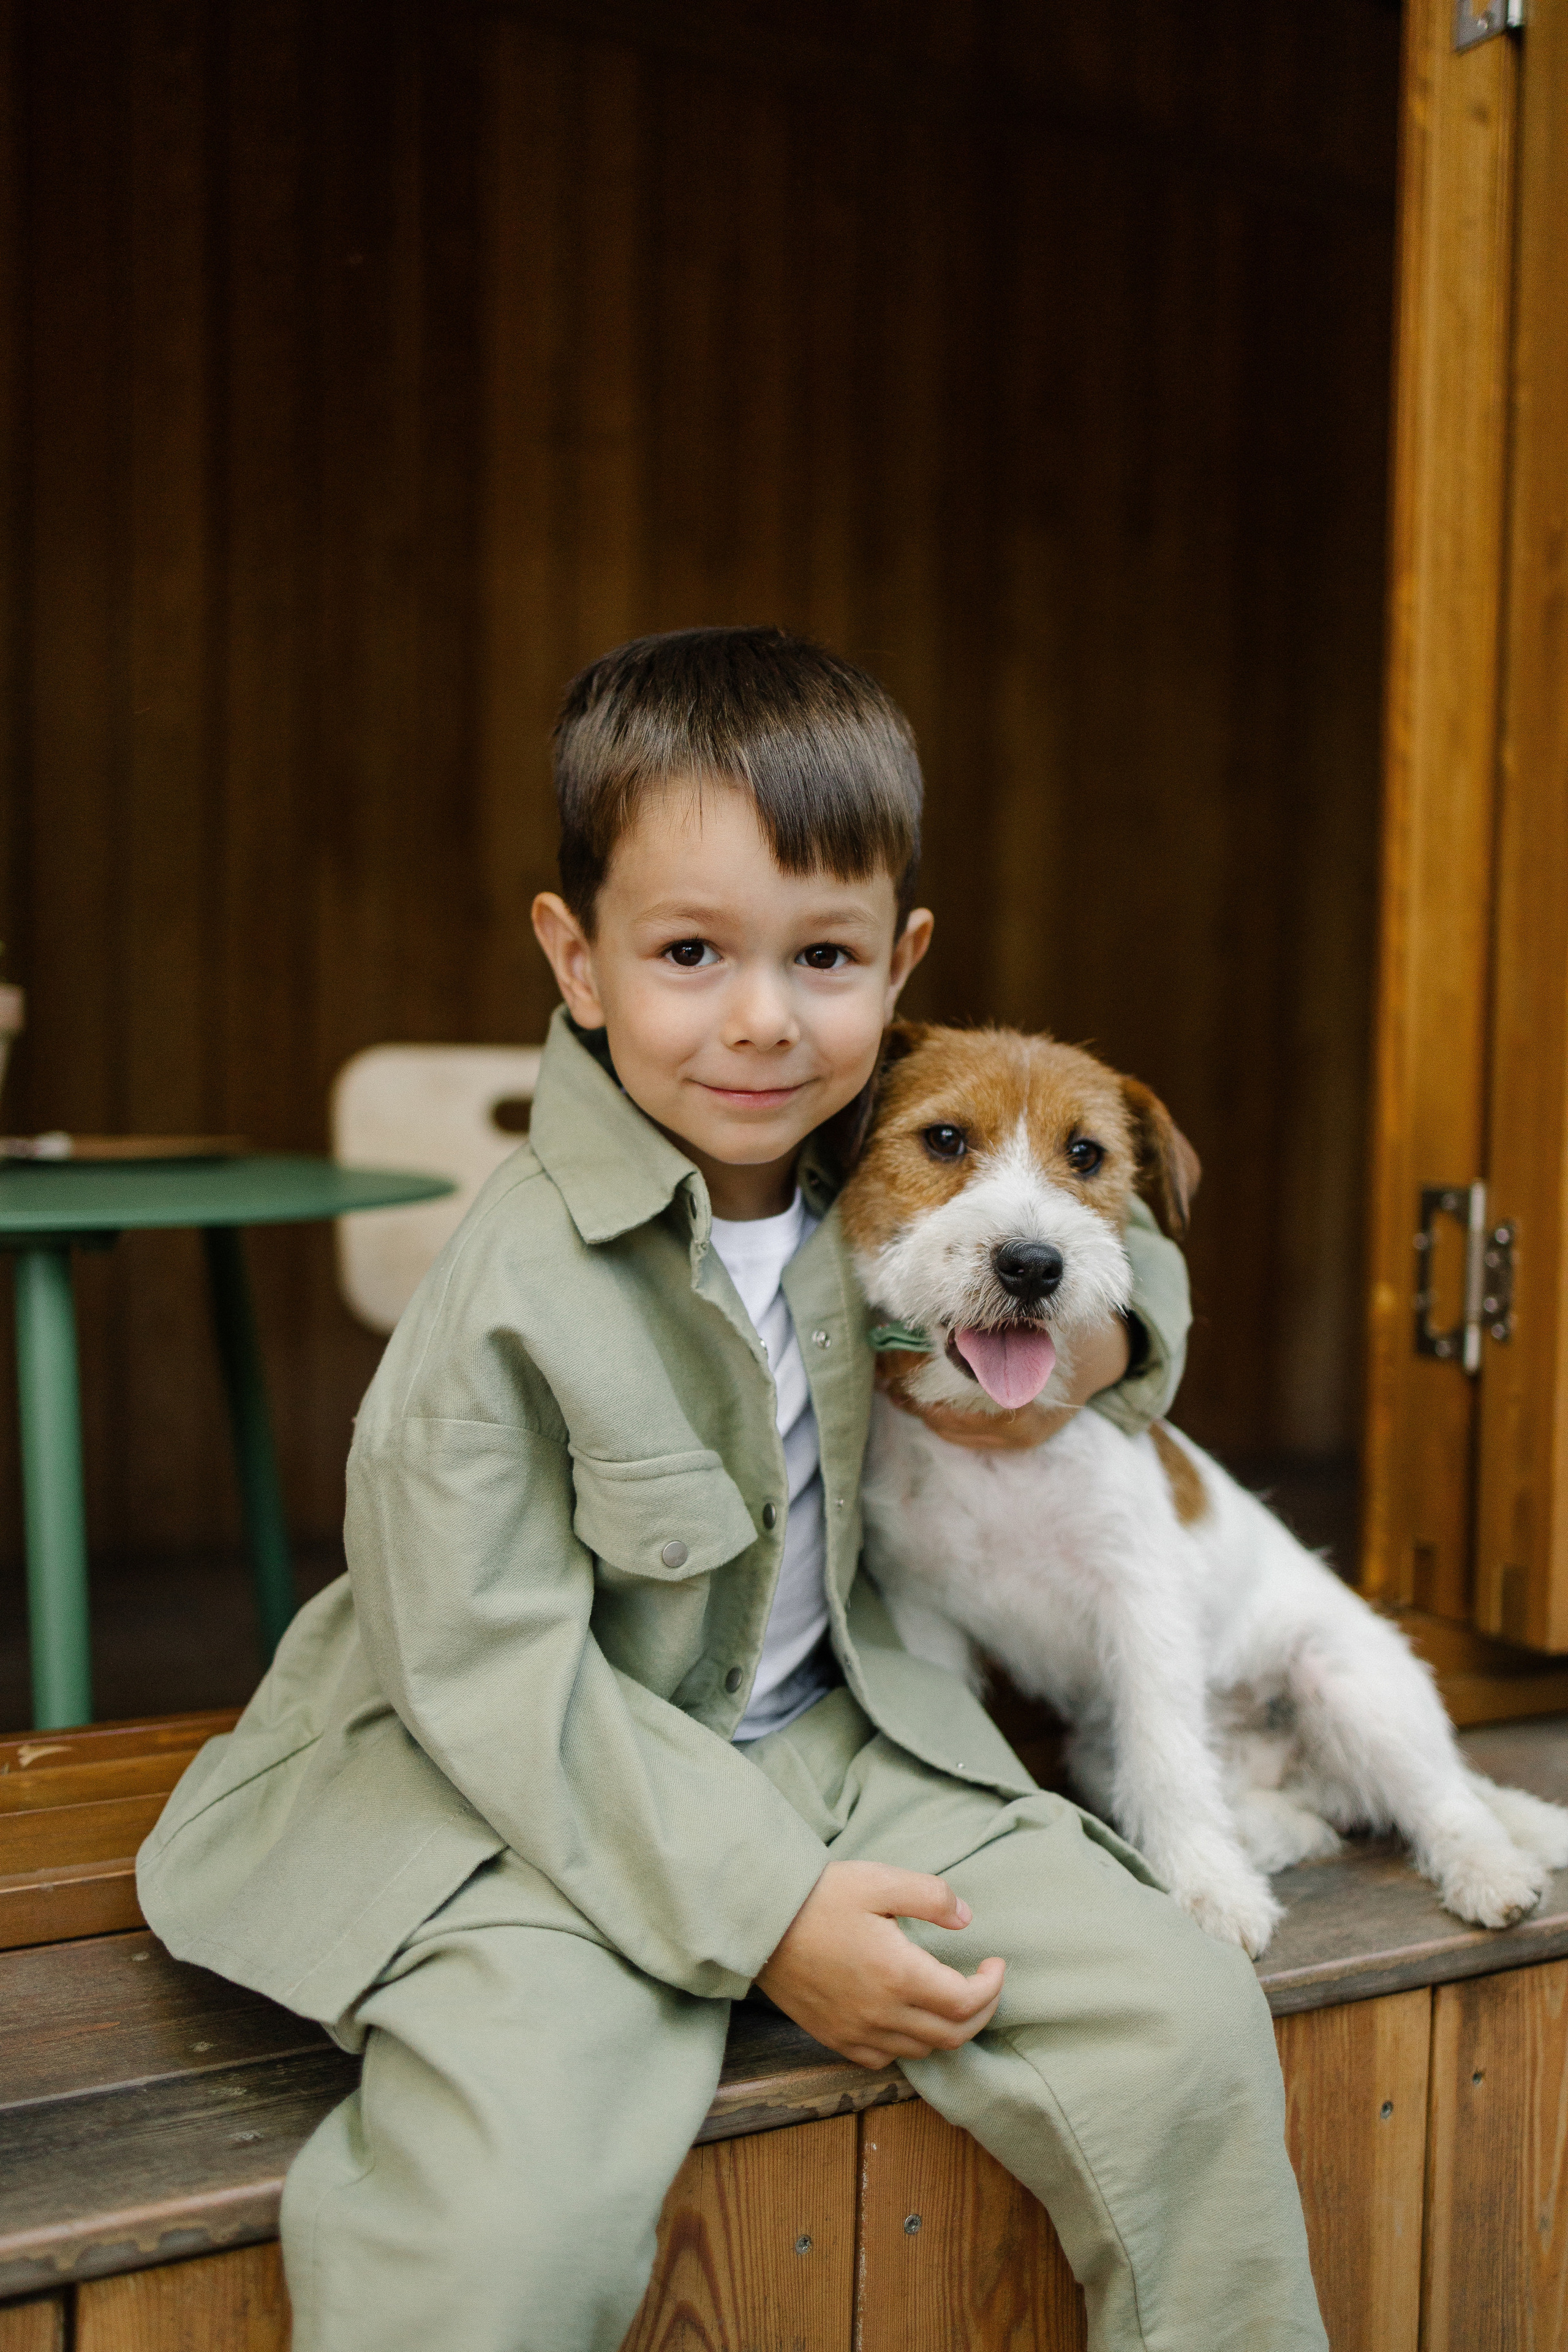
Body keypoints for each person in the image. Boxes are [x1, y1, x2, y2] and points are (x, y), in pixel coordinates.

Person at [138, 627, 1326, 2352]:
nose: (763, 1018)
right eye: (691, 950)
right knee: (509, 2214)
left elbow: (1111, 1234)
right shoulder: (511, 1291)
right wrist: (767, 1916)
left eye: (822, 956)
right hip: (535, 1785)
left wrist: (1108, 1350)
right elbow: (487, 1670)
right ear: (580, 960)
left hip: (838, 1738)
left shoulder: (889, 1165)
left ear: (899, 968)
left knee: (1188, 2022)